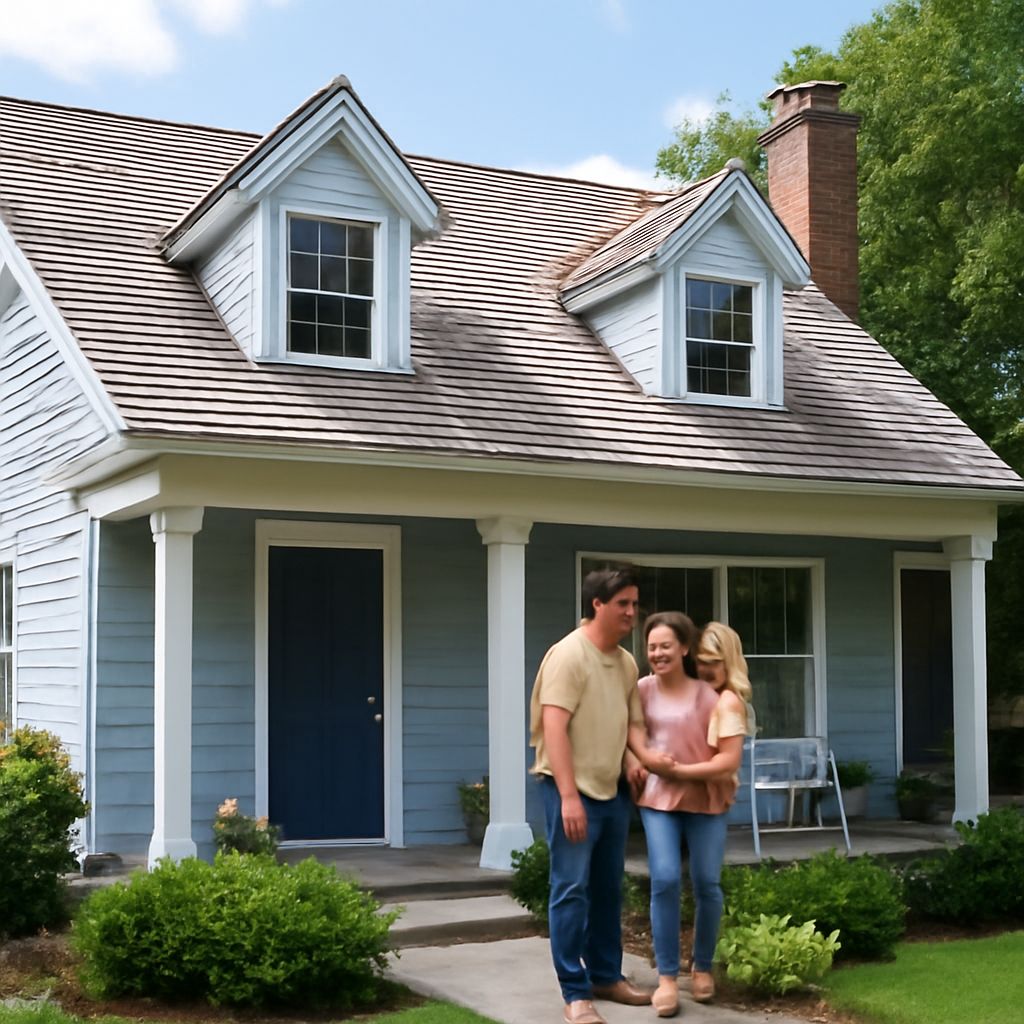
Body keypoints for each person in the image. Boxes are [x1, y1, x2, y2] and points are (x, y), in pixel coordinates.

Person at [529, 567, 653, 1024]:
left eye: (635, 604)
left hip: (611, 793)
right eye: (623, 603)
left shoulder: (624, 663)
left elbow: (628, 722)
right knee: (571, 890)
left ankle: (605, 974)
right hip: (569, 791)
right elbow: (555, 727)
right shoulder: (568, 655)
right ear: (597, 605)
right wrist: (568, 797)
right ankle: (575, 992)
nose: (631, 613)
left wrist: (632, 761)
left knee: (607, 889)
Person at [628, 616, 752, 1018]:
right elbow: (630, 731)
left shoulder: (715, 697)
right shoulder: (642, 689)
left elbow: (728, 758)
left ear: (684, 648)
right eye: (652, 646)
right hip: (658, 798)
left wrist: (678, 769)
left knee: (707, 883)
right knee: (663, 878)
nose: (658, 653)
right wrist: (638, 759)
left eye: (666, 645)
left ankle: (702, 967)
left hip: (706, 799)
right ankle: (666, 979)